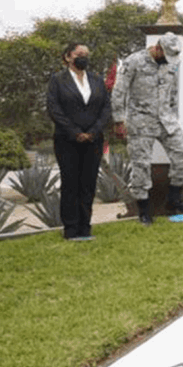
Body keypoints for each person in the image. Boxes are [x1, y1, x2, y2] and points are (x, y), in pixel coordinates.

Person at [111, 33, 183, 225]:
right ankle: (143, 211)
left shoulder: (170, 62)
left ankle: (174, 200)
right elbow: (120, 90)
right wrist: (119, 120)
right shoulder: (133, 61)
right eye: (166, 55)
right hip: (140, 120)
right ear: (158, 48)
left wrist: (172, 112)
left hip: (165, 119)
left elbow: (172, 91)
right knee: (141, 165)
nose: (168, 60)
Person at [46, 42, 113, 240]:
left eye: (86, 54)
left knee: (88, 184)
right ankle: (71, 228)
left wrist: (93, 131)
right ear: (68, 57)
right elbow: (54, 109)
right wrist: (75, 132)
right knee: (70, 183)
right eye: (79, 53)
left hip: (94, 140)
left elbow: (105, 108)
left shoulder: (96, 80)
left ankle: (85, 226)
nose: (83, 56)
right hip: (67, 140)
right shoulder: (57, 80)